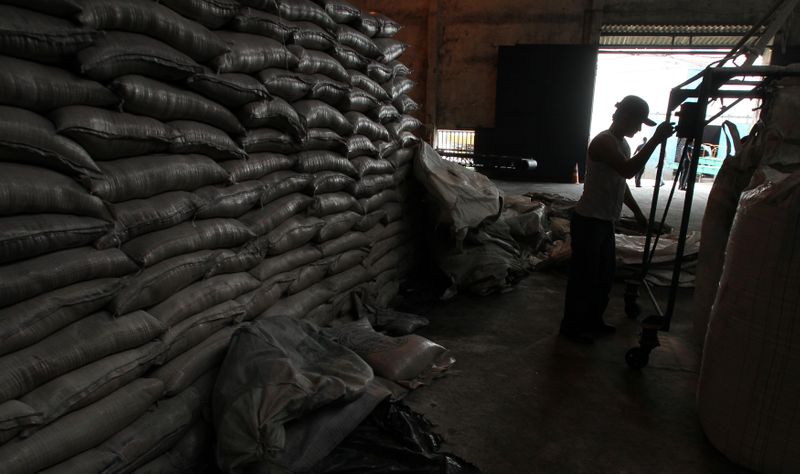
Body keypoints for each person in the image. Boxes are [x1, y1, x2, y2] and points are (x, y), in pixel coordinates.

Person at [560, 95, 675, 344]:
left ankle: (592, 321)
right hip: (589, 221)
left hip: (604, 222)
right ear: (625, 117)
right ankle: (571, 327)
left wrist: (637, 212)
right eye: (638, 123)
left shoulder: (622, 145)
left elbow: (621, 184)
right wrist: (655, 140)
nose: (639, 128)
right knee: (584, 278)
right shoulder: (604, 141)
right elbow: (628, 170)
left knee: (604, 276)